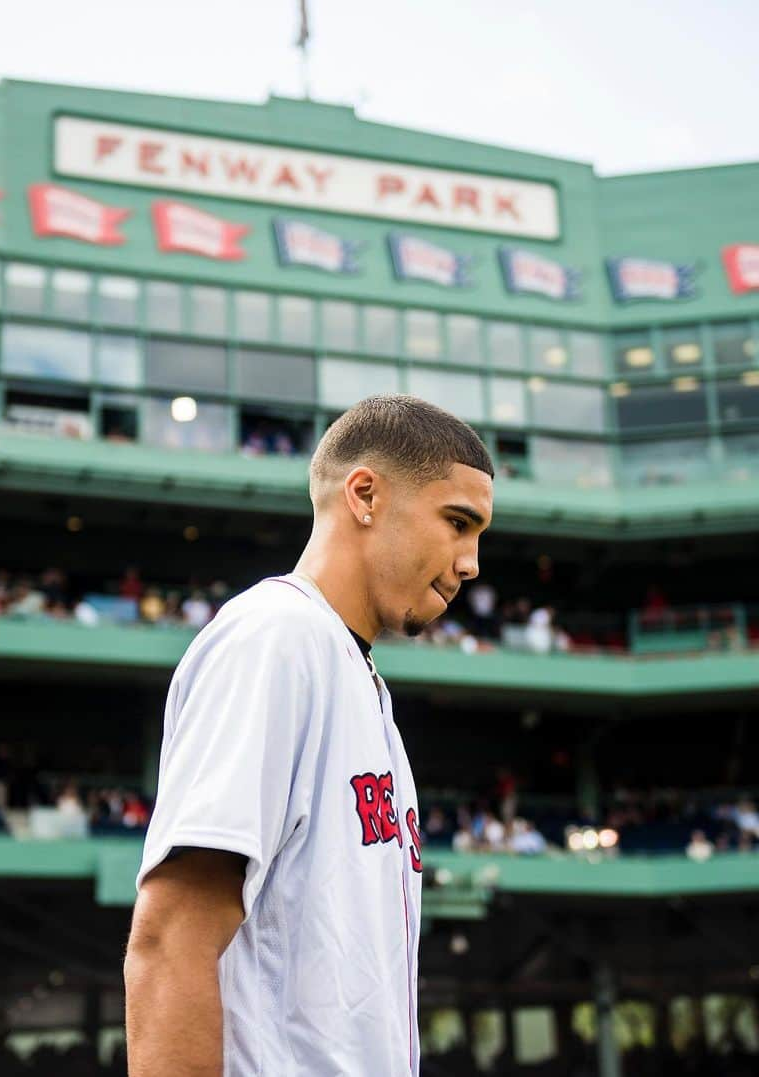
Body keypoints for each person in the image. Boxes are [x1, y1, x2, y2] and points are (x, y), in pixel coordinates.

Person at [124, 395, 494, 1076]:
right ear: (364, 495)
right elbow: (170, 936)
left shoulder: (363, 681)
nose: (470, 562)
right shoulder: (275, 637)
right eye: (457, 522)